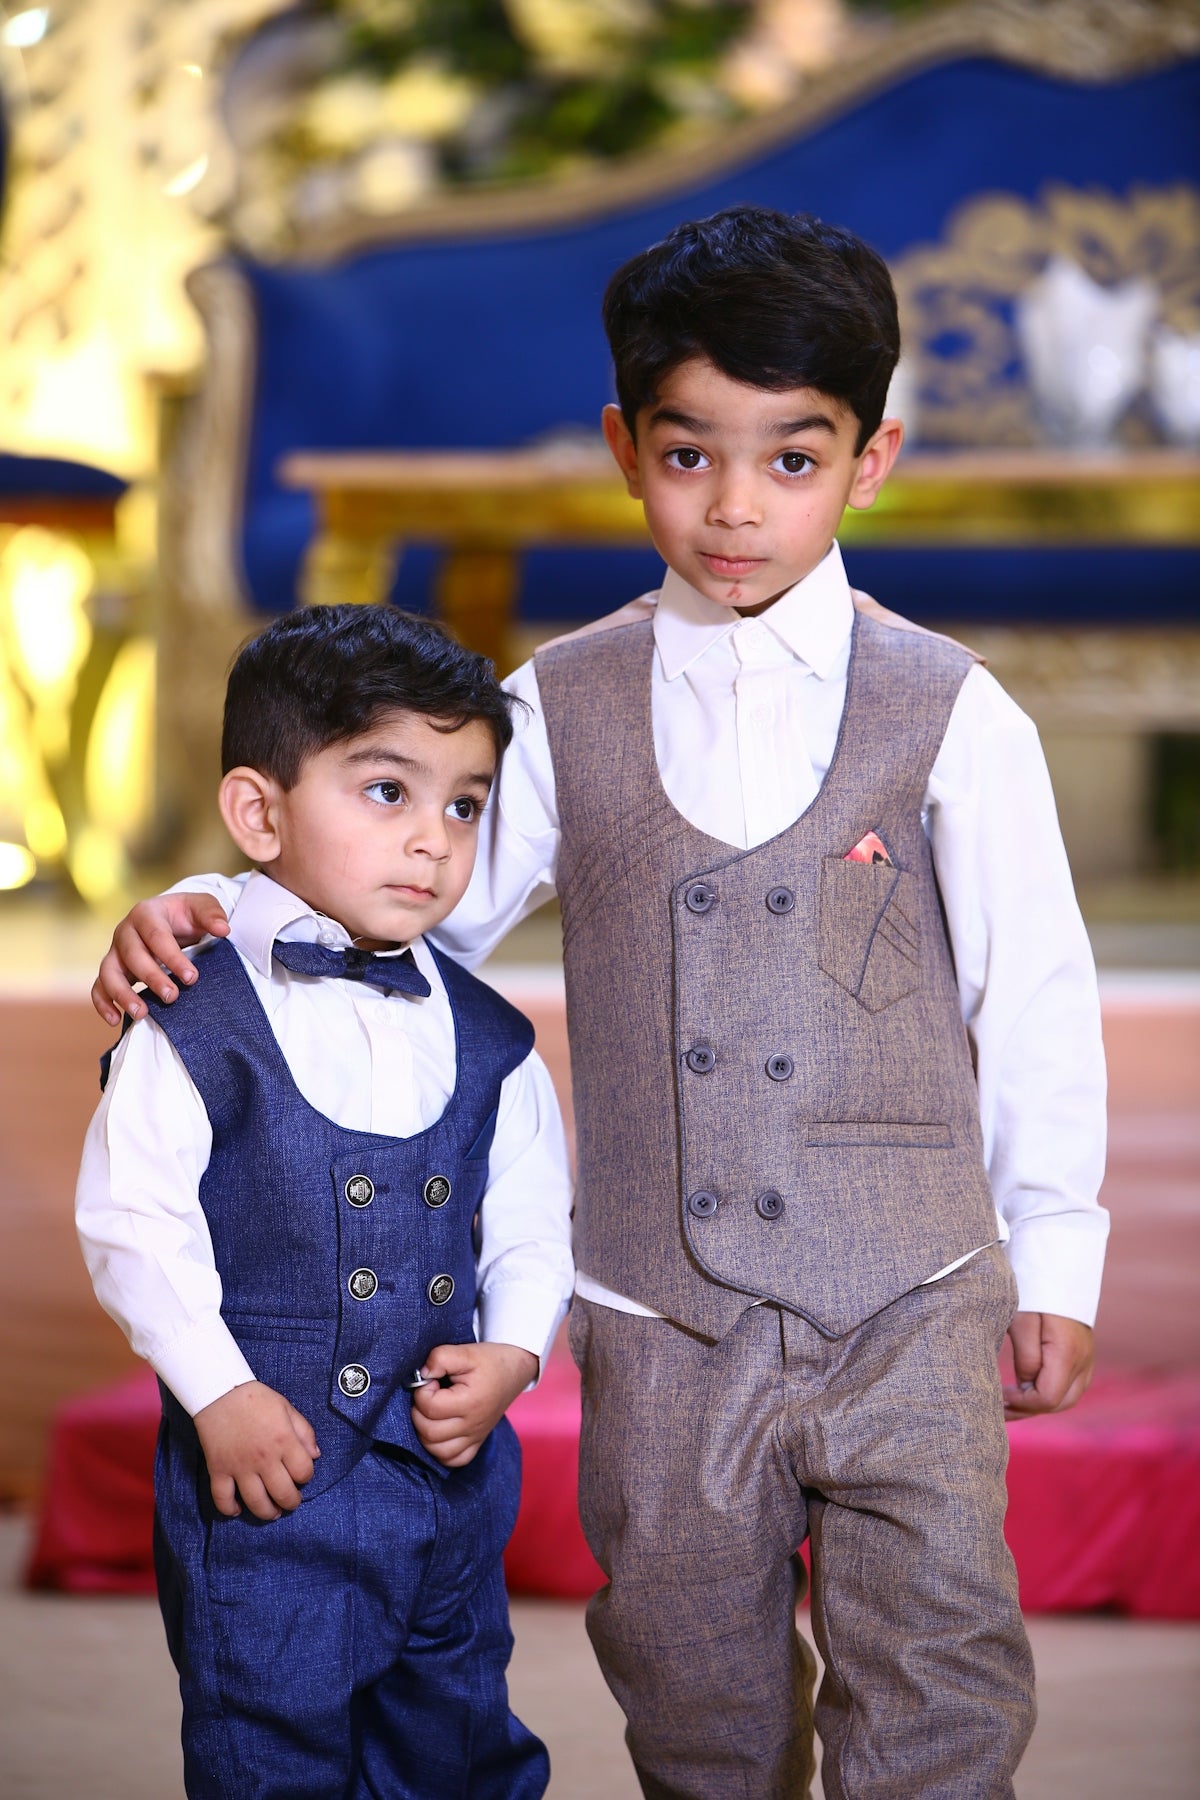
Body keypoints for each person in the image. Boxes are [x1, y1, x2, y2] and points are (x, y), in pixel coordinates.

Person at [91, 206, 1108, 1800]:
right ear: (629, 449)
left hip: (910, 1290)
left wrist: (1057, 1249)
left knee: (937, 1666)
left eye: (792, 458)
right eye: (692, 454)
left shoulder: (954, 711)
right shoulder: (554, 706)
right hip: (658, 1312)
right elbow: (417, 906)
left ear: (874, 459)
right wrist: (216, 912)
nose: (735, 506)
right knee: (691, 1687)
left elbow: (1033, 990)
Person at [77, 605, 573, 1800]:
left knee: (455, 1738)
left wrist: (514, 1353)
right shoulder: (193, 1019)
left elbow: (530, 1223)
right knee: (271, 1740)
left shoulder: (494, 1038)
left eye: (465, 804)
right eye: (388, 793)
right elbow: (134, 1224)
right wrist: (221, 1391)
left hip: (446, 1490)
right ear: (259, 815)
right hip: (269, 1484)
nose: (435, 842)